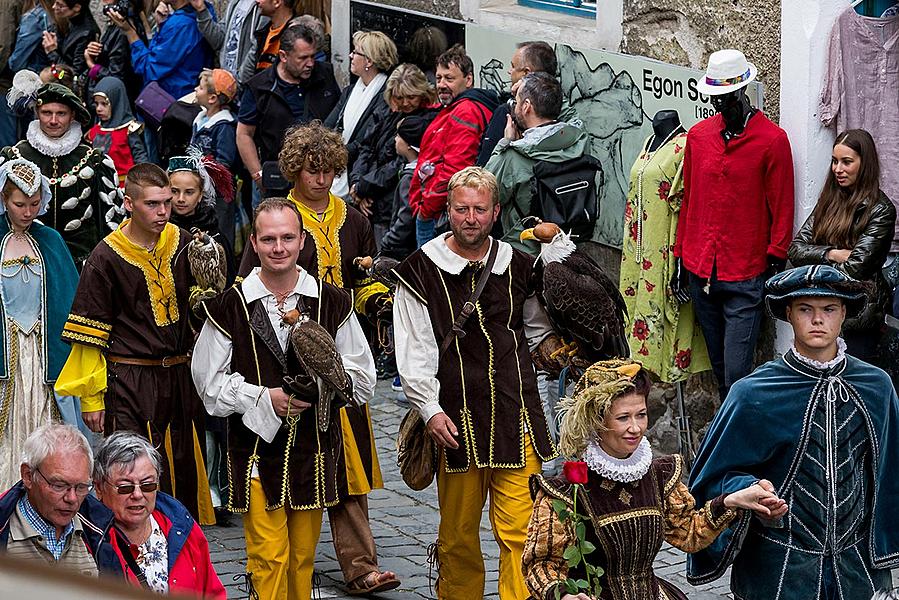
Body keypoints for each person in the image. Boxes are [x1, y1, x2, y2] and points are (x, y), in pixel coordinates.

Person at [237, 122, 399, 595]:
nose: (322, 179)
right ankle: (273, 564)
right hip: (285, 364)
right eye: (313, 170)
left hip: (343, 355)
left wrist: (375, 303)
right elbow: (247, 290)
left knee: (348, 464)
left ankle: (360, 565)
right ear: (294, 169)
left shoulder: (354, 219)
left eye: (329, 169)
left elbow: (363, 275)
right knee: (289, 466)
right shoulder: (277, 219)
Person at [192, 198, 378, 599]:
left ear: (301, 241)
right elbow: (208, 385)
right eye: (269, 238)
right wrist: (262, 397)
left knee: (302, 560)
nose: (279, 247)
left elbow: (363, 378)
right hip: (257, 452)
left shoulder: (332, 301)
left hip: (315, 450)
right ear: (254, 244)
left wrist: (326, 386)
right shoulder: (231, 305)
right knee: (268, 558)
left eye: (288, 238)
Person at [393, 166, 560, 599]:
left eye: (480, 210)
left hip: (516, 414)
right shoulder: (421, 269)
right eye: (462, 209)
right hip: (457, 421)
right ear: (448, 210)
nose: (471, 218)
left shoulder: (519, 264)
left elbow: (536, 330)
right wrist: (429, 408)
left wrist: (558, 355)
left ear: (495, 212)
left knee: (523, 533)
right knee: (459, 535)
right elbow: (415, 350)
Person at [688, 264, 899, 599]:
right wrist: (749, 489)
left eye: (829, 309)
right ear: (788, 313)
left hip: (856, 569)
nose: (818, 320)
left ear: (844, 312)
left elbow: (889, 473)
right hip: (778, 572)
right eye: (805, 309)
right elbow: (711, 477)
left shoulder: (876, 386)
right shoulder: (753, 392)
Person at [522, 359, 786, 600]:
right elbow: (540, 565)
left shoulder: (658, 475)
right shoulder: (567, 490)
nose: (635, 428)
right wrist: (564, 596)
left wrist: (733, 500)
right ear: (596, 421)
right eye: (623, 418)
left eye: (641, 414)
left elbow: (689, 533)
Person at [55, 162, 215, 526]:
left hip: (178, 377)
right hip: (128, 380)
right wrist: (92, 400)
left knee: (182, 470)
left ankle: (179, 553)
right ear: (128, 203)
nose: (162, 212)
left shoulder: (184, 243)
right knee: (130, 473)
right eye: (152, 204)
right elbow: (90, 335)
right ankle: (128, 561)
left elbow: (202, 310)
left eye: (167, 203)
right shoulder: (105, 257)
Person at [672, 49, 794, 402]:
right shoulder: (698, 137)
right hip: (700, 270)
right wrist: (681, 256)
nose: (719, 105)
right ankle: (727, 441)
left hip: (745, 274)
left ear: (742, 92)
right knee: (719, 369)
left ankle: (733, 442)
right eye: (714, 98)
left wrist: (776, 256)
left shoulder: (772, 141)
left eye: (725, 97)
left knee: (738, 372)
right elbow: (690, 199)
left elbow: (782, 205)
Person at [0, 159, 81, 490]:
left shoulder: (50, 240)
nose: (27, 212)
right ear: (4, 199)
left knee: (48, 422)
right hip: (7, 350)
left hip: (44, 349)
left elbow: (70, 294)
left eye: (34, 204)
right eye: (19, 204)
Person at [788, 129, 895, 363]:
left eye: (847, 162)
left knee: (851, 385)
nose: (838, 169)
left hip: (858, 316)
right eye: (835, 161)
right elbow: (796, 250)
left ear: (864, 164)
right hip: (820, 310)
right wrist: (833, 254)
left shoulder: (881, 210)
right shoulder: (828, 200)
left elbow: (856, 269)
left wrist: (816, 264)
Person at [89, 432, 226, 597]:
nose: (138, 495)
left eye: (147, 485)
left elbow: (212, 591)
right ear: (99, 488)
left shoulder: (180, 524)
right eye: (125, 487)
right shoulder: (90, 540)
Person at [0, 83, 120, 265]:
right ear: (37, 113)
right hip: (26, 263)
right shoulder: (12, 157)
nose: (53, 120)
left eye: (61, 114)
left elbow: (111, 224)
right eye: (47, 113)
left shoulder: (94, 160)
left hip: (81, 264)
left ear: (72, 116)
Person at [484, 72, 592, 242]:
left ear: (526, 106)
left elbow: (482, 193)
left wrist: (504, 142)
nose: (514, 106)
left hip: (525, 253)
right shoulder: (579, 140)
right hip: (568, 247)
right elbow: (568, 114)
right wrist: (540, 90)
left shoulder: (512, 157)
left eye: (517, 101)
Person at [237, 23, 340, 199]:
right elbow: (244, 134)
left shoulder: (325, 74)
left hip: (322, 179)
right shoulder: (259, 87)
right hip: (279, 183)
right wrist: (258, 175)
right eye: (303, 58)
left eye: (313, 57)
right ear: (283, 56)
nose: (310, 64)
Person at [409, 44, 498, 247]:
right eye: (438, 78)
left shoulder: (466, 111)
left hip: (438, 214)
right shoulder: (459, 106)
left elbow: (456, 168)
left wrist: (427, 207)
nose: (441, 84)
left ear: (468, 80)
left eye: (449, 79)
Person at [350, 63, 437, 244]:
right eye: (399, 97)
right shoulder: (386, 111)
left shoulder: (426, 120)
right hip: (371, 196)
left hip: (391, 205)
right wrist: (358, 182)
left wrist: (364, 187)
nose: (405, 103)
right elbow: (366, 147)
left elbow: (400, 163)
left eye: (411, 97)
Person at [0, 423, 99, 576]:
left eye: (81, 487)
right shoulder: (4, 532)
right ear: (28, 476)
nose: (72, 498)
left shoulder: (98, 533)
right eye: (59, 485)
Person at [477, 40, 576, 166]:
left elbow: (485, 171)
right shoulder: (567, 123)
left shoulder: (508, 113)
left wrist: (504, 144)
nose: (509, 71)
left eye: (513, 66)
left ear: (527, 73)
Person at [324, 30, 397, 199]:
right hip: (338, 163)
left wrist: (334, 156)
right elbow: (328, 126)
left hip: (358, 176)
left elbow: (365, 141)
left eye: (355, 52)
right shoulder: (350, 91)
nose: (350, 55)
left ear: (369, 61)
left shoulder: (384, 97)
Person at [109, 0, 214, 100]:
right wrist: (161, 25)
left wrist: (130, 33)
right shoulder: (204, 12)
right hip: (185, 94)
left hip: (170, 103)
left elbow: (148, 69)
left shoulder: (180, 25)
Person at [87, 76, 148, 186]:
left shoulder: (129, 129)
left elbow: (140, 158)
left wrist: (144, 182)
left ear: (116, 102)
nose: (98, 109)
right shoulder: (94, 131)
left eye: (104, 104)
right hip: (100, 185)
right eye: (96, 104)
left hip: (125, 185)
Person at [83, 0, 147, 104]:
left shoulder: (123, 30)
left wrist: (92, 66)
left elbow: (116, 77)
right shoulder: (119, 24)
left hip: (115, 102)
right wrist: (96, 51)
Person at [190, 0, 259, 82]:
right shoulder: (236, 2)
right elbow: (219, 41)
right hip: (224, 83)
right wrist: (201, 10)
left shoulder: (263, 6)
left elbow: (256, 50)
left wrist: (238, 84)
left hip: (243, 86)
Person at [191, 68, 239, 171]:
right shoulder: (199, 119)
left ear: (212, 98)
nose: (195, 89)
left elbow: (224, 162)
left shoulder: (224, 126)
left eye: (200, 87)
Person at [42, 0, 99, 77]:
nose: (54, 7)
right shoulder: (70, 21)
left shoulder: (86, 34)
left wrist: (52, 52)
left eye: (60, 5)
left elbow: (74, 74)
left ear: (77, 7)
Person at [245, 0, 294, 77]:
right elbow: (245, 75)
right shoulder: (262, 34)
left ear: (277, 2)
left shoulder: (296, 37)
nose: (256, 1)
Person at [9, 0, 53, 77]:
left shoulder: (34, 17)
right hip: (54, 71)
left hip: (35, 73)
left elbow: (17, 60)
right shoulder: (60, 13)